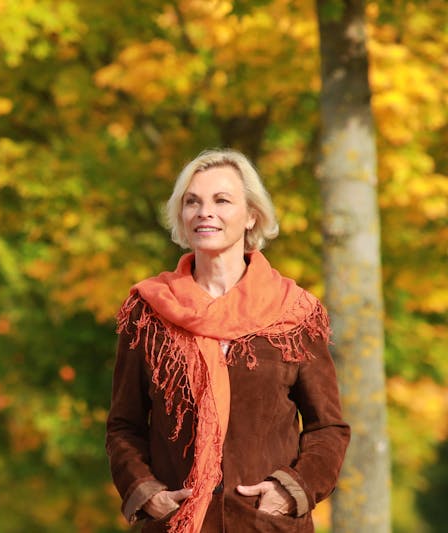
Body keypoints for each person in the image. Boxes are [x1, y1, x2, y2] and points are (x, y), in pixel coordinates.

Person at [105, 149, 350, 533]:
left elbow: (327, 428)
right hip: (175, 525)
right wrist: (146, 492)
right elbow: (124, 425)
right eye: (193, 202)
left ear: (251, 215)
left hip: (266, 526)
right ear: (182, 217)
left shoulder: (295, 313)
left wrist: (291, 491)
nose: (205, 211)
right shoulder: (148, 311)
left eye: (222, 200)